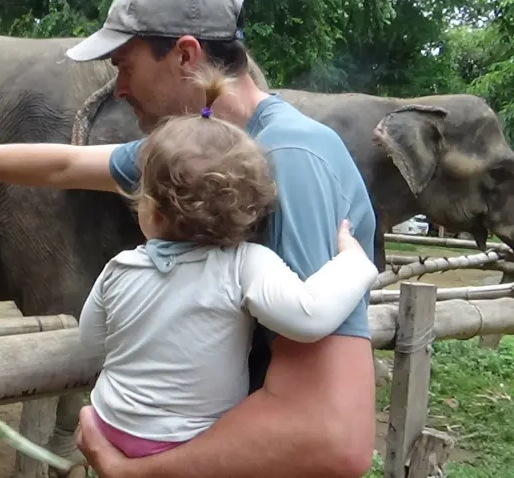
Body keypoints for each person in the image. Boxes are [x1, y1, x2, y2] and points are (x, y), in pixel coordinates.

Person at [0, 0, 377, 478]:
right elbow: (65, 163)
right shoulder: (199, 155)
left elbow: (331, 437)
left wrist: (142, 470)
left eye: (126, 68)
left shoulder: (289, 161)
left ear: (185, 55)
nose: (120, 89)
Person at [77, 97, 379, 462]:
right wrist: (355, 262)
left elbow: (92, 341)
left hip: (111, 427)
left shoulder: (120, 267)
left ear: (152, 211)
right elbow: (309, 315)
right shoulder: (245, 264)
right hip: (187, 443)